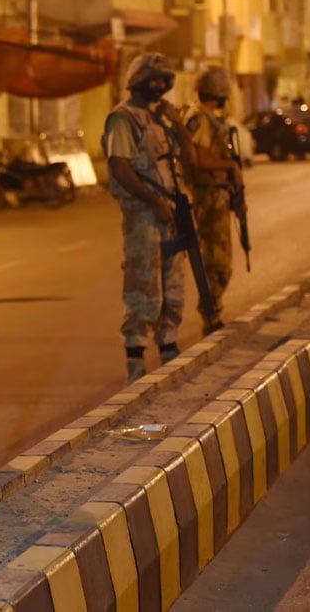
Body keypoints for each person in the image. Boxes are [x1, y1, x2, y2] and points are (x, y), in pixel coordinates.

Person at [103, 52, 196, 383]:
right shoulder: (122, 118)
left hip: (169, 211)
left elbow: (189, 157)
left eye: (163, 80)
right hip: (143, 215)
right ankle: (136, 362)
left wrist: (178, 125)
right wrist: (153, 201)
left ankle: (169, 347)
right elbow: (120, 167)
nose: (158, 85)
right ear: (137, 81)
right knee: (143, 286)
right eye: (152, 79)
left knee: (173, 284)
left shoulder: (159, 120)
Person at [185, 66, 245, 335]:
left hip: (218, 195)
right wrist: (230, 166)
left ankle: (213, 311)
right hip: (208, 197)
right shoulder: (200, 119)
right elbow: (200, 158)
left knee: (221, 261)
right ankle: (211, 315)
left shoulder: (211, 119)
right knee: (216, 261)